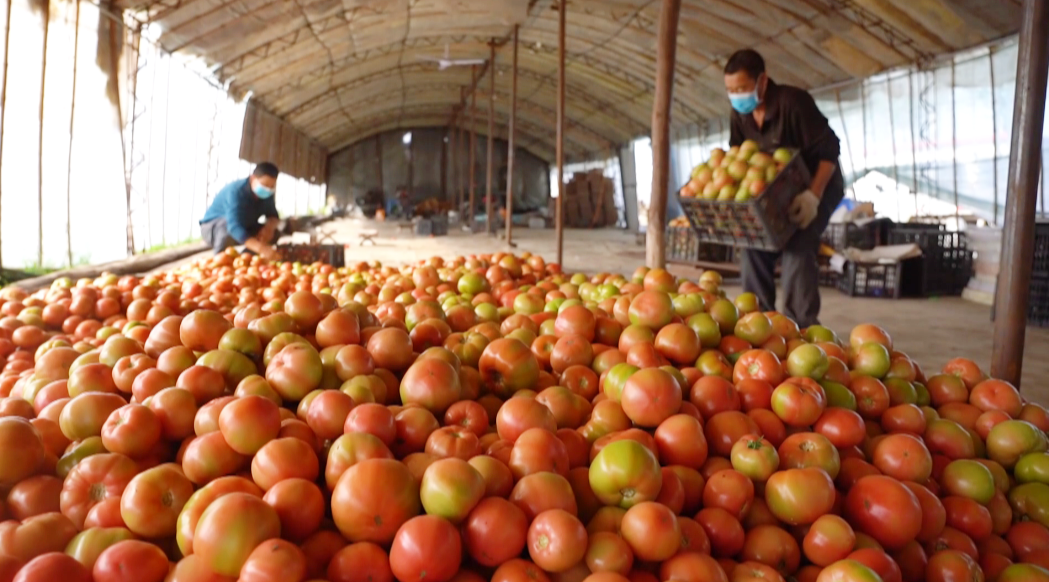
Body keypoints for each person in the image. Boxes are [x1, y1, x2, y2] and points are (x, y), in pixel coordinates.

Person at [724, 49, 845, 328]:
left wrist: (813, 196)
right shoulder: (739, 115)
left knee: (798, 246)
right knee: (753, 246)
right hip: (772, 193)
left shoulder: (793, 103)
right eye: (731, 90)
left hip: (818, 183)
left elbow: (830, 150)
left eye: (742, 88)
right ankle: (758, 324)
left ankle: (799, 328)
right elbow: (738, 158)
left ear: (762, 81)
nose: (737, 96)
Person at [200, 162, 282, 260]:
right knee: (226, 227)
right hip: (214, 228)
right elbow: (234, 226)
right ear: (253, 178)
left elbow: (273, 216)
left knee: (275, 233)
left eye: (272, 186)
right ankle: (220, 259)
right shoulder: (236, 191)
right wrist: (260, 248)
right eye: (265, 185)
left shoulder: (267, 195)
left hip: (244, 226)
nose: (268, 189)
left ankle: (246, 258)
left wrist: (269, 229)